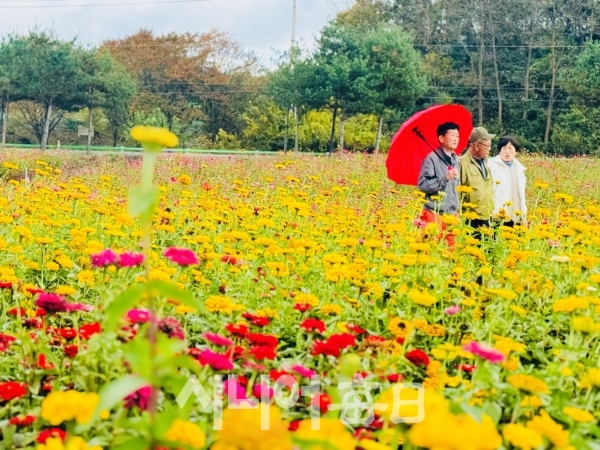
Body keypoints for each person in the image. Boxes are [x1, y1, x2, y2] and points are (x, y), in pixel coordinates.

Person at [416, 122, 461, 247]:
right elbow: (423, 185)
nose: (456, 139)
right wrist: (445, 177)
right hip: (434, 213)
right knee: (430, 249)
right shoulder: (431, 159)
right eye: (452, 135)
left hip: (452, 215)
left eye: (457, 136)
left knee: (451, 252)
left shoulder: (456, 160)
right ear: (441, 138)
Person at [459, 127, 495, 240]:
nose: (489, 149)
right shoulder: (461, 164)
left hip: (486, 218)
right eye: (487, 146)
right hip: (470, 221)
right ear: (476, 145)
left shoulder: (485, 165)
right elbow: (456, 194)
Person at [488, 136, 527, 227]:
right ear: (499, 150)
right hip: (498, 216)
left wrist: (524, 217)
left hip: (516, 216)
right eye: (504, 148)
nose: (507, 151)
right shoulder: (491, 166)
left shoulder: (519, 168)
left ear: (515, 150)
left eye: (510, 148)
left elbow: (522, 195)